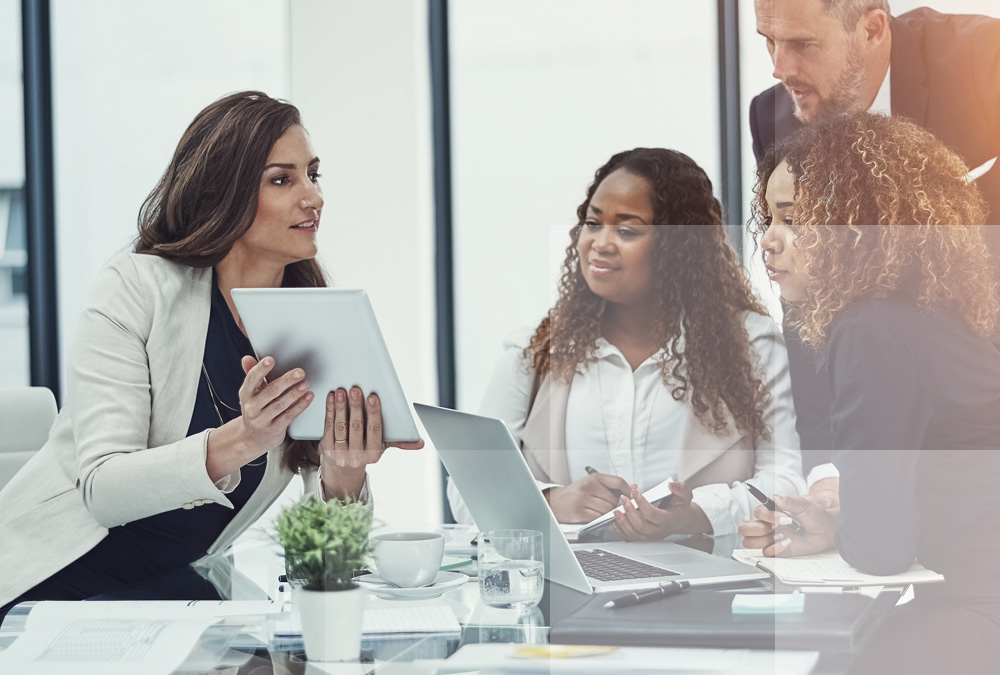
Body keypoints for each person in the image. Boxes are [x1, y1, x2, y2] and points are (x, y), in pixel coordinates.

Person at [0, 91, 422, 619]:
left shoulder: (310, 323)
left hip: (176, 603)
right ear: (224, 193)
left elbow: (331, 560)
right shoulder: (136, 287)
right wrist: (244, 439)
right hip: (50, 598)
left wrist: (344, 473)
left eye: (313, 174)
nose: (313, 196)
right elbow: (103, 490)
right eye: (282, 179)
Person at [741, 112, 1000, 673]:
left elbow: (881, 552)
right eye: (770, 216)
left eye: (793, 218)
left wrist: (847, 528)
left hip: (977, 614)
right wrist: (841, 523)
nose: (769, 239)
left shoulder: (869, 330)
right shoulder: (931, 312)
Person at [448, 148, 804, 540]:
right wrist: (552, 500)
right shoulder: (534, 350)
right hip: (577, 587)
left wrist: (700, 514)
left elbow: (786, 479)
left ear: (678, 248)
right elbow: (467, 489)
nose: (600, 243)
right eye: (592, 223)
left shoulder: (753, 344)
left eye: (627, 230)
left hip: (708, 584)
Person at [751, 0, 1000, 465]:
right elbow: (805, 303)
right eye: (769, 41)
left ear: (872, 28)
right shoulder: (774, 115)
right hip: (881, 410)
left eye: (802, 44)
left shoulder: (983, 60)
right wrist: (828, 477)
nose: (779, 69)